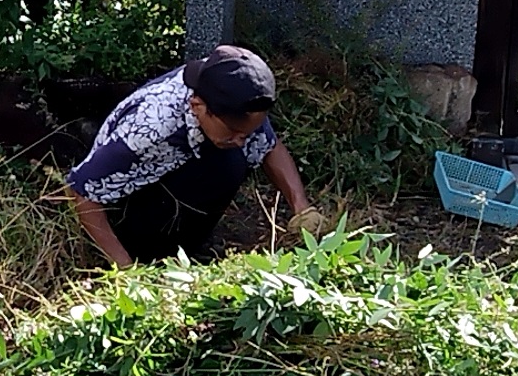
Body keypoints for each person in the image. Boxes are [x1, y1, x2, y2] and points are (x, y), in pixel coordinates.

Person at [65, 45, 330, 266]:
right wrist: (125, 269)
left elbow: (270, 145)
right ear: (198, 107)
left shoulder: (232, 88)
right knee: (225, 165)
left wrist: (301, 207)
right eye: (235, 132)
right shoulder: (149, 130)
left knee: (233, 159)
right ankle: (154, 255)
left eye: (247, 132)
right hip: (130, 203)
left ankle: (189, 244)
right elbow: (81, 191)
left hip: (178, 171)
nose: (242, 139)